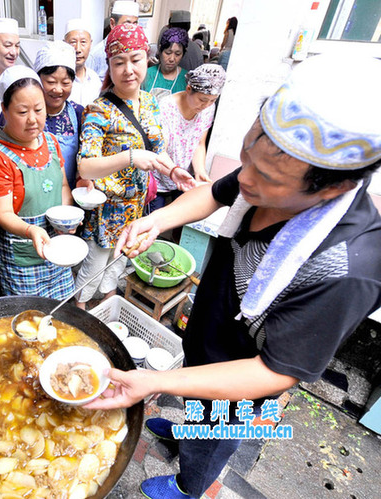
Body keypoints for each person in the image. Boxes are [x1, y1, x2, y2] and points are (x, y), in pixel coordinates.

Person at [87, 54, 381, 499]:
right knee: (198, 408)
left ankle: (190, 485)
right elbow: (213, 192)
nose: (245, 179)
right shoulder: (263, 169)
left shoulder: (345, 270)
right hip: (209, 339)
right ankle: (187, 432)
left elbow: (274, 372)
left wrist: (155, 381)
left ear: (334, 187)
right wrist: (157, 219)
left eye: (267, 178)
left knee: (216, 433)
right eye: (247, 155)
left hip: (243, 385)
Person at [74, 23, 194, 310]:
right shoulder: (99, 109)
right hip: (107, 208)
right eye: (119, 62)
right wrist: (130, 157)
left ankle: (109, 303)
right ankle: (78, 311)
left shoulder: (150, 103)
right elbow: (85, 167)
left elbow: (158, 150)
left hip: (136, 205)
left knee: (119, 260)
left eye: (135, 60)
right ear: (109, 66)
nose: (128, 70)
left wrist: (172, 170)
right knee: (94, 265)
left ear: (146, 60)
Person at [0, 66, 75, 299]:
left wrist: (65, 220)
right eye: (22, 112)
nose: (32, 119)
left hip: (56, 246)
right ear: (4, 109)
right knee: (29, 314)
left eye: (39, 109)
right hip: (22, 258)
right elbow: (3, 214)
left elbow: (63, 186)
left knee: (60, 310)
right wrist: (31, 230)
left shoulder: (50, 141)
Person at [149, 64, 226, 211]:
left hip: (185, 175)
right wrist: (173, 171)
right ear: (189, 89)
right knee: (155, 217)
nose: (206, 105)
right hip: (161, 175)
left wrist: (200, 171)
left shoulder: (208, 108)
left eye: (212, 100)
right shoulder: (166, 107)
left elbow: (199, 143)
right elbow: (160, 150)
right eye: (202, 99)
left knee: (181, 217)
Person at [85, 0, 139, 80]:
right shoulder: (96, 55)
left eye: (135, 24)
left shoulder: (137, 52)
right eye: (127, 24)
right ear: (112, 24)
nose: (131, 29)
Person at [141, 27, 189, 102]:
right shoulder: (147, 74)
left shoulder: (186, 79)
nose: (172, 59)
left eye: (177, 54)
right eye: (168, 53)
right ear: (160, 51)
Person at [64, 18, 102, 107]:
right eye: (73, 42)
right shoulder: (59, 79)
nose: (78, 49)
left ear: (90, 44)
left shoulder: (95, 79)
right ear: (64, 44)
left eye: (83, 42)